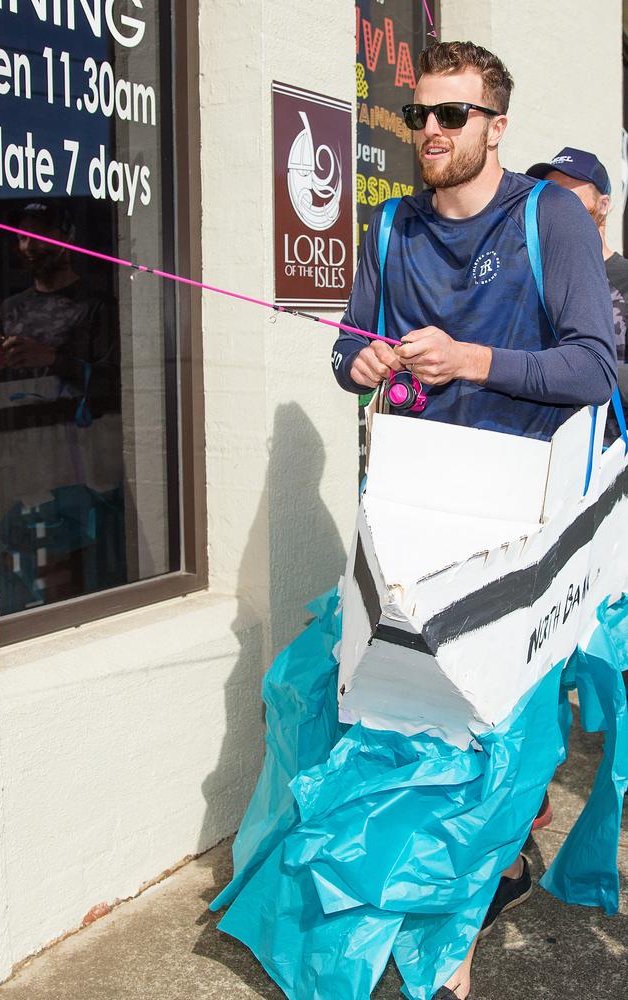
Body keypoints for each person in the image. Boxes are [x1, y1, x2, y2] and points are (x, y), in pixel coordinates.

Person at [331, 41, 617, 1000]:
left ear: (497, 125)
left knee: (490, 731)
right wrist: (361, 364)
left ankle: (452, 935)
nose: (431, 133)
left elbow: (593, 367)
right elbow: (347, 346)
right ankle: (433, 905)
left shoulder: (549, 220)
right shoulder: (388, 228)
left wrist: (472, 361)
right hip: (409, 498)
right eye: (420, 115)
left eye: (453, 115)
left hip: (520, 509)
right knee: (398, 719)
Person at [0, 201, 123, 613]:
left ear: (66, 239)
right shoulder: (10, 309)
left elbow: (117, 385)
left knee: (70, 559)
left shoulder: (97, 306)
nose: (28, 245)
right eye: (21, 237)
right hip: (14, 455)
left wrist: (51, 358)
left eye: (39, 235)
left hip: (75, 459)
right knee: (18, 551)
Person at [526, 147, 628, 411]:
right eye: (549, 194)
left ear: (603, 205)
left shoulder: (624, 278)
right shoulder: (533, 271)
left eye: (568, 197)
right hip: (546, 440)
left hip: (612, 443)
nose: (555, 206)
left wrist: (584, 368)